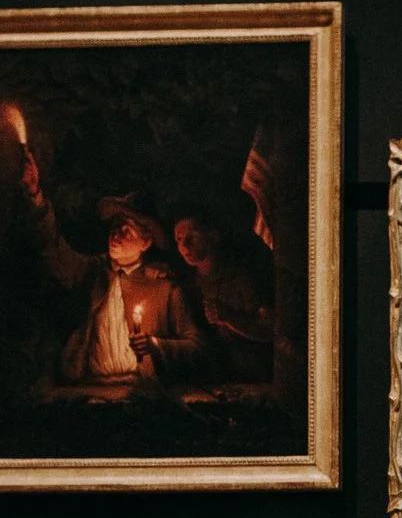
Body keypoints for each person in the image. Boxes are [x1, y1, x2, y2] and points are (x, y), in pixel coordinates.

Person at [18, 162, 205, 384]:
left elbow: (196, 347)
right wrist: (35, 198)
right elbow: (53, 249)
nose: (116, 235)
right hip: (91, 387)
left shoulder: (163, 286)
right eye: (114, 228)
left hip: (142, 390)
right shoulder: (92, 272)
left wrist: (156, 345)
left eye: (126, 231)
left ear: (145, 242)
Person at [173, 212, 275, 380]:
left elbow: (272, 330)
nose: (184, 245)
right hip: (211, 375)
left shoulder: (241, 279)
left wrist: (230, 318)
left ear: (213, 236)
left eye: (192, 237)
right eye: (178, 239)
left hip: (252, 374)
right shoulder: (186, 282)